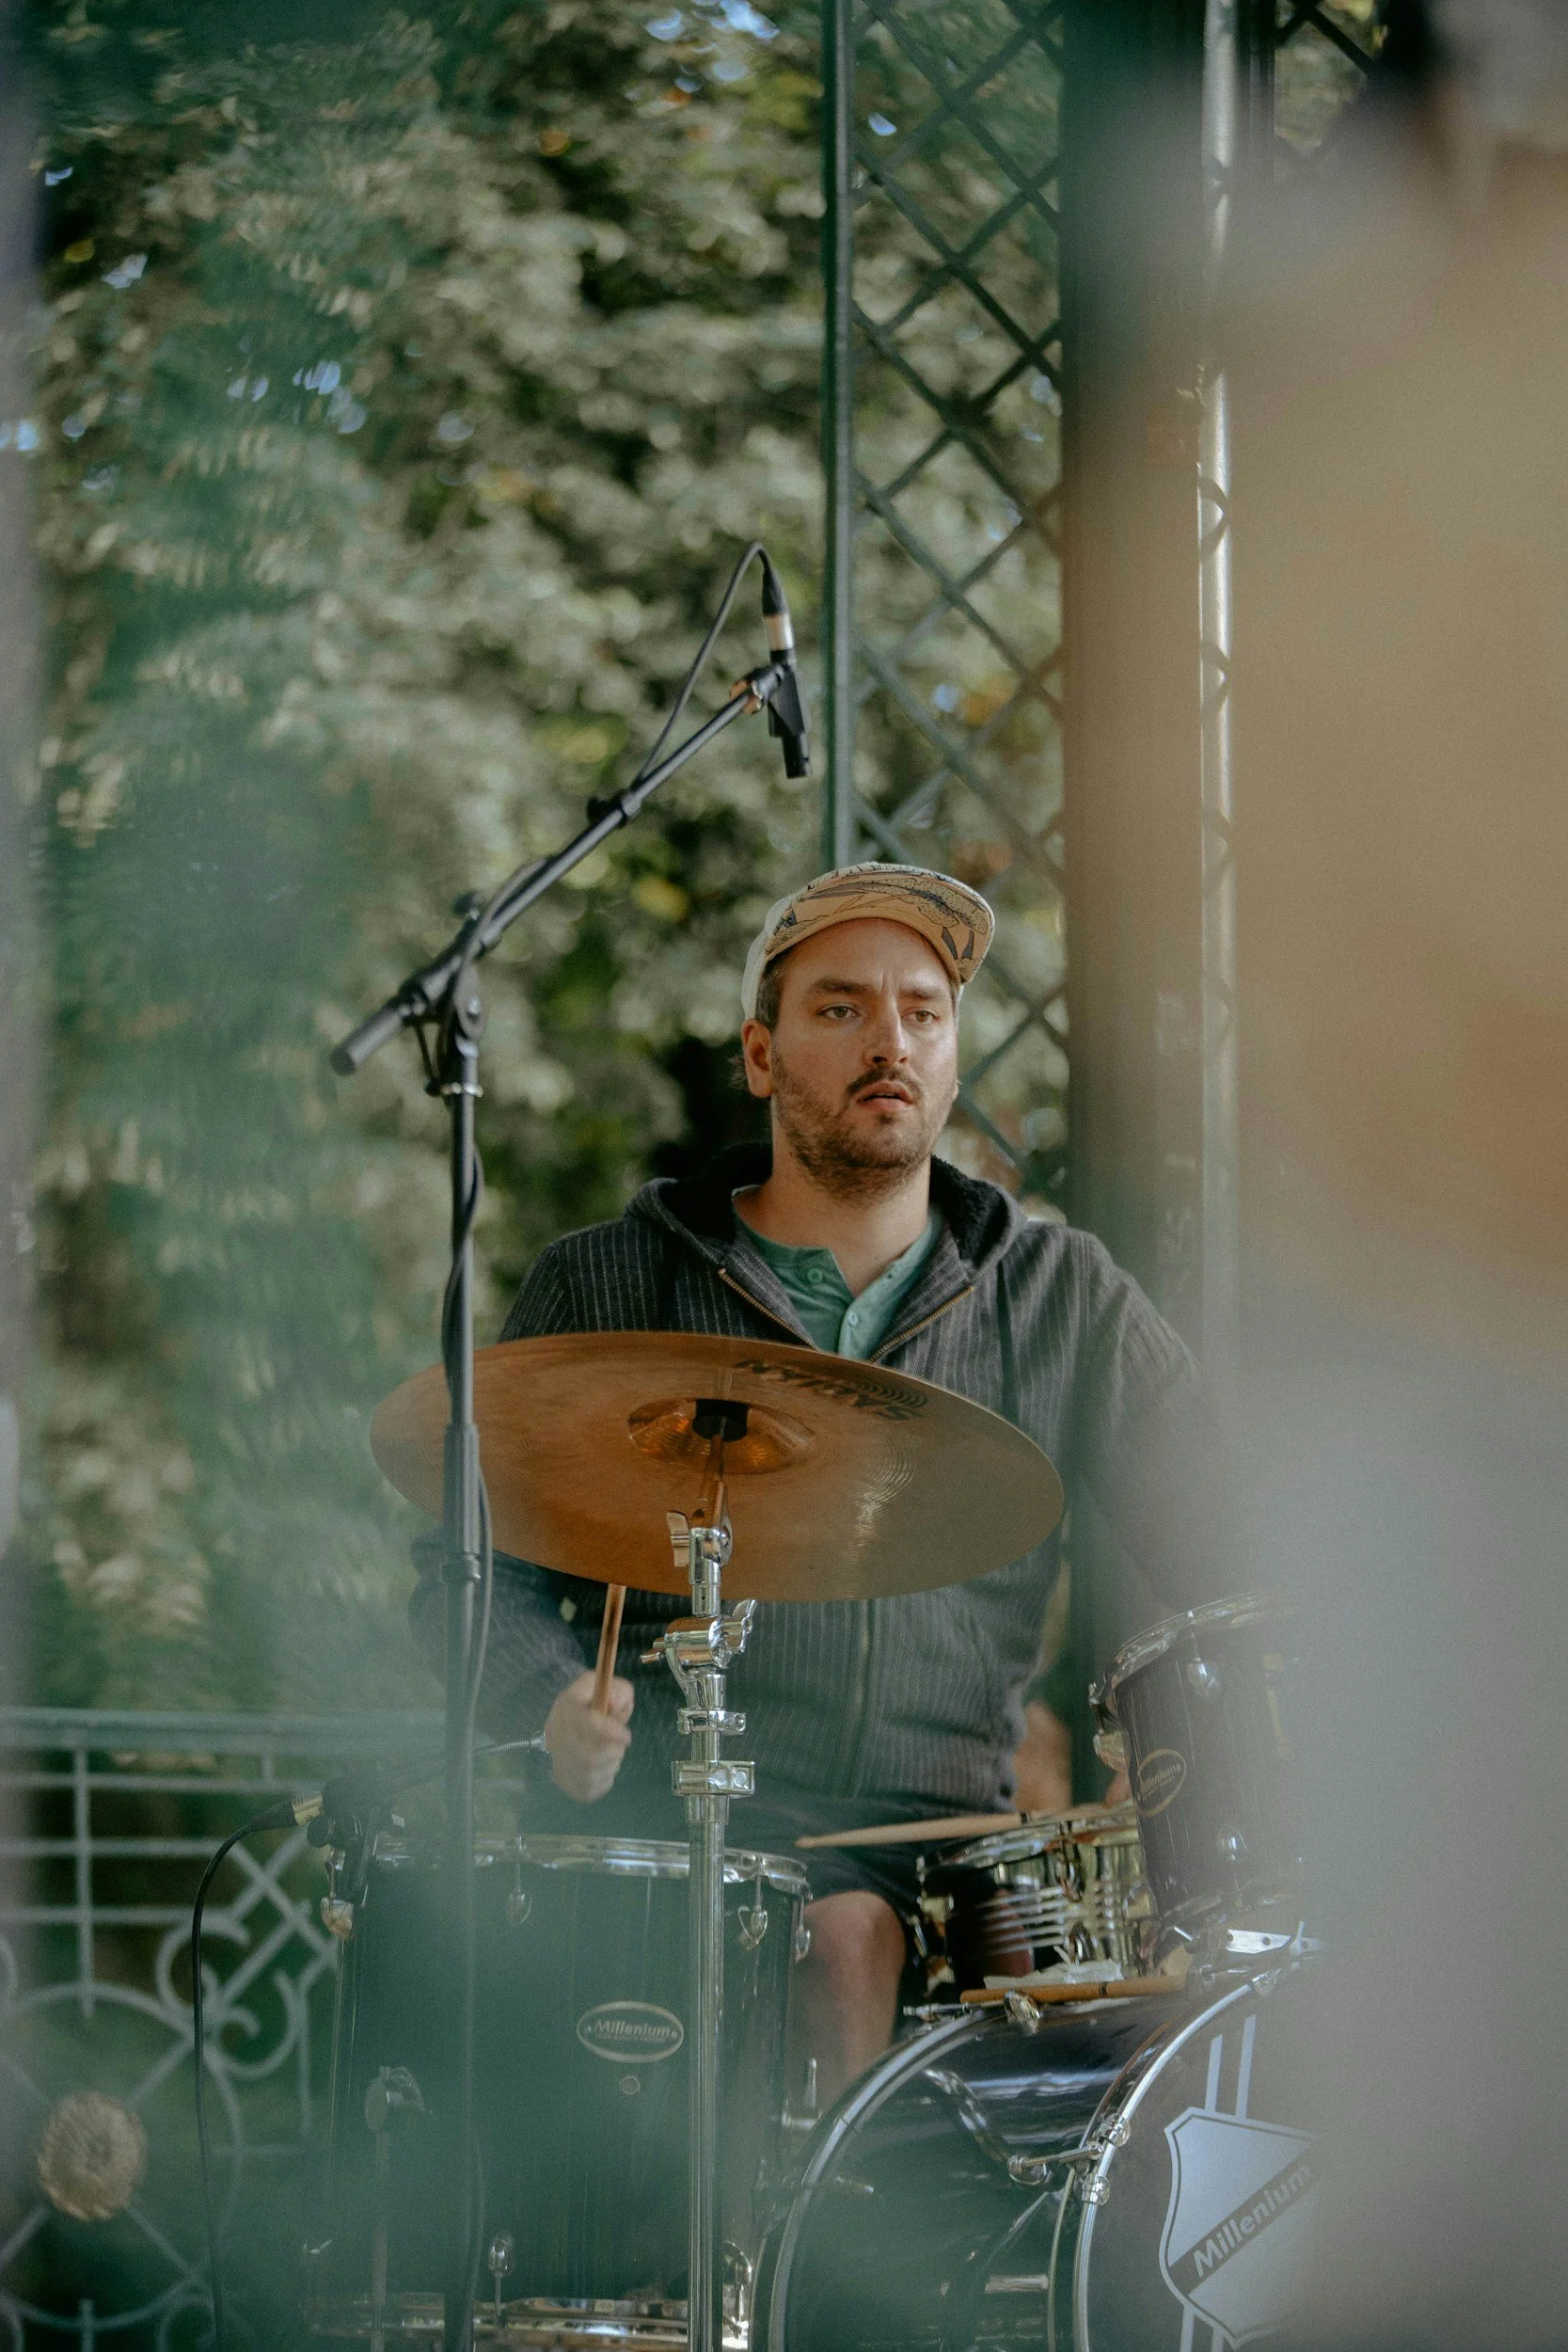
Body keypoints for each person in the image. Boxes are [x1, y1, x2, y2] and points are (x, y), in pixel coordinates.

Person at [411, 863, 1228, 2103]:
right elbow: (462, 1580)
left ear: (950, 1056)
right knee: (830, 1938)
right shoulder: (612, 1284)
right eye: (840, 1008)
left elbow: (1232, 1547)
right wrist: (547, 1702)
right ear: (761, 1055)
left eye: (922, 1012)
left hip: (947, 1854)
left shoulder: (1061, 1296)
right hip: (665, 1838)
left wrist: (1178, 1758)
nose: (888, 1042)